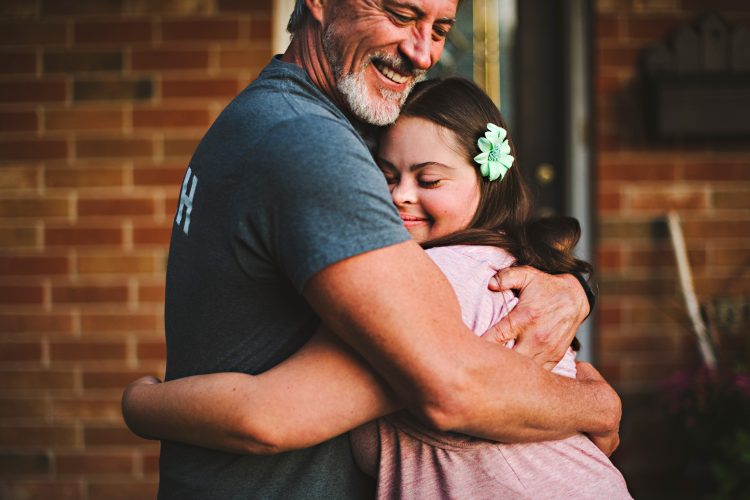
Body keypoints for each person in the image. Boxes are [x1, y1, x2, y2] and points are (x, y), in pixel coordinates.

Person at [133, 0, 621, 497]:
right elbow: (452, 387)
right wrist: (598, 405)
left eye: (441, 29)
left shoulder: (293, 116)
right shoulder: (311, 143)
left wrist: (574, 286)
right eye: (403, 15)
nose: (424, 53)